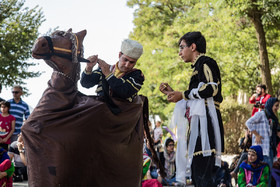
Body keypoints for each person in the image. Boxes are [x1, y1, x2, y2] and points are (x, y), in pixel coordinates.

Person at [159, 31, 224, 187]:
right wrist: (174, 94)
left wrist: (182, 94)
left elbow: (211, 89)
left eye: (182, 47)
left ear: (193, 46)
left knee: (203, 173)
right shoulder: (197, 67)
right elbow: (195, 99)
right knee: (197, 172)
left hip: (207, 125)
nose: (180, 53)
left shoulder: (205, 62)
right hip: (197, 126)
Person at [80, 39, 144, 102]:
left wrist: (108, 74)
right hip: (99, 108)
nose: (127, 65)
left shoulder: (137, 75)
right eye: (125, 60)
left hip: (123, 110)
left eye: (131, 62)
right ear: (119, 55)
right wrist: (89, 67)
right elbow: (85, 84)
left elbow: (124, 92)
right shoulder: (105, 68)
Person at [246, 97, 280, 169]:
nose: (277, 108)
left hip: (270, 148)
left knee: (268, 171)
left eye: (278, 106)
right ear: (271, 105)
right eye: (276, 106)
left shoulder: (273, 118)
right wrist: (257, 135)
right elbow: (248, 122)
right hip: (262, 147)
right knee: (263, 171)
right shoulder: (261, 114)